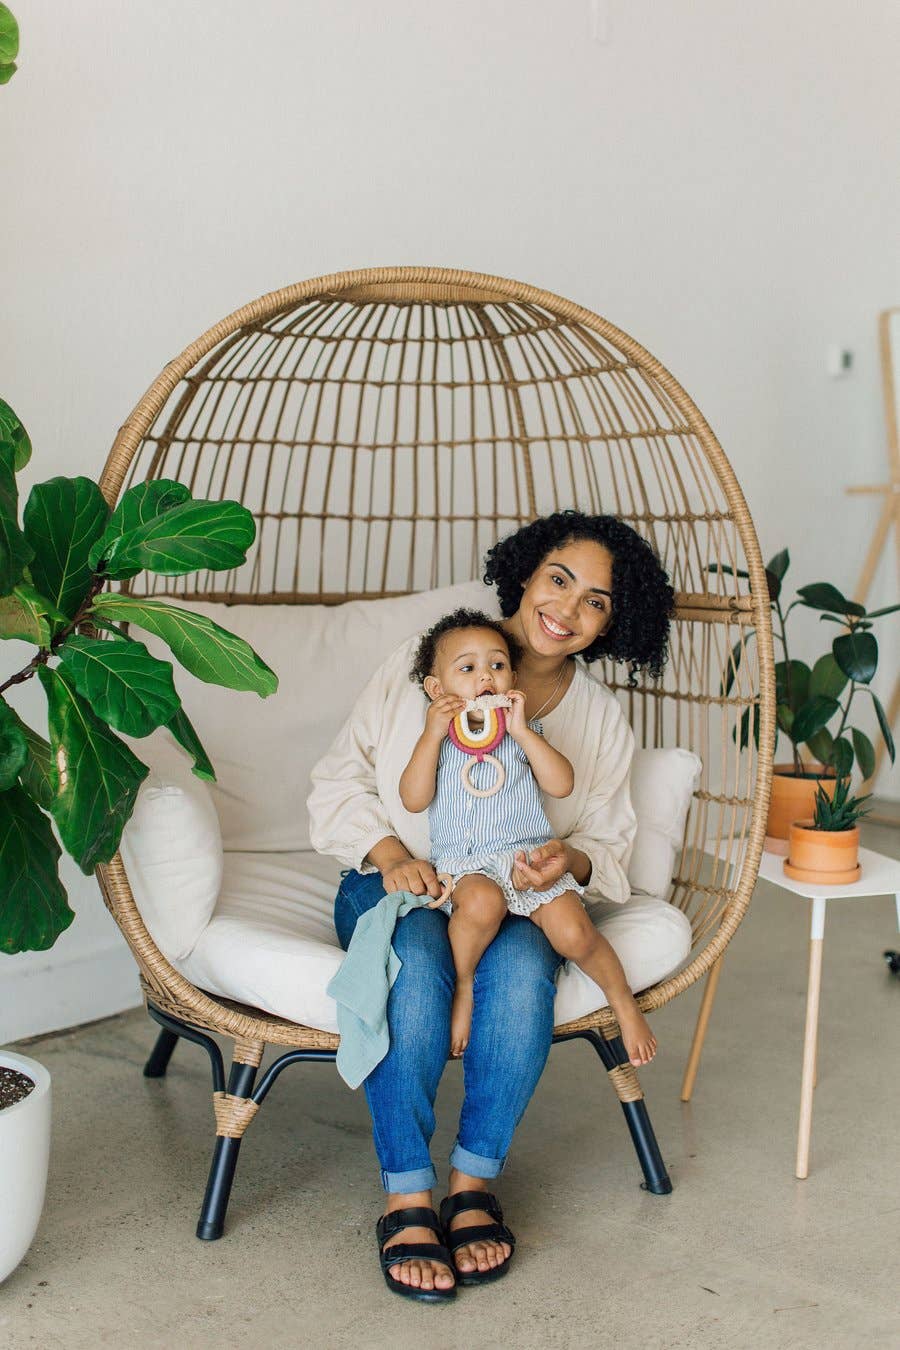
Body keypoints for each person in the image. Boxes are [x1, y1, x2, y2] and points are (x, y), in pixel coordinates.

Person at [308, 510, 674, 1302]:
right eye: (560, 581)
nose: (569, 610)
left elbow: (605, 845)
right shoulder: (427, 669)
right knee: (417, 967)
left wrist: (566, 858)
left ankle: (472, 1183)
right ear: (526, 572)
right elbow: (339, 783)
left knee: (517, 981)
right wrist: (395, 857)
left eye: (598, 603)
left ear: (614, 623)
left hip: (516, 899)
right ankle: (407, 1193)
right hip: (400, 883)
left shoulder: (599, 717)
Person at [399, 608, 658, 1066]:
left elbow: (562, 784)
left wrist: (521, 730)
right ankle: (464, 986)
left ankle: (621, 1000)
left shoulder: (522, 733)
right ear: (437, 690)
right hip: (470, 864)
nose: (486, 678)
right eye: (468, 668)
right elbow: (414, 799)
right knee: (481, 905)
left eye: (497, 666)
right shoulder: (436, 742)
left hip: (528, 860)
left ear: (513, 679)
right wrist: (430, 736)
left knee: (575, 932)